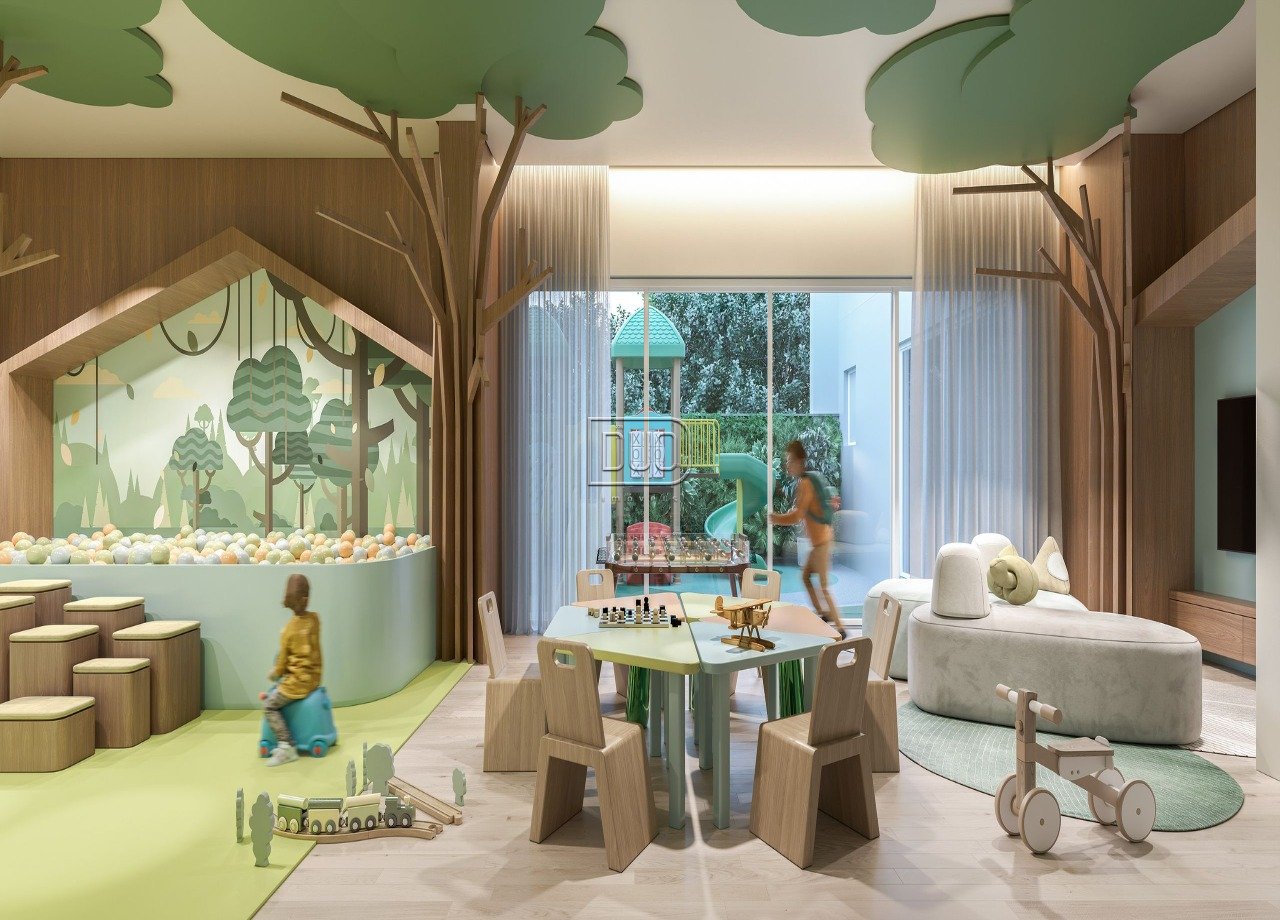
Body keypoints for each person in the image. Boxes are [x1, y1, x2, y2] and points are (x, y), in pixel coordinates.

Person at [768, 440, 844, 637]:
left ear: (800, 462)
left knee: (824, 586)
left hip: (822, 543)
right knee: (806, 577)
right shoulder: (806, 480)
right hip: (819, 542)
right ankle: (824, 615)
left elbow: (797, 516)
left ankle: (840, 628)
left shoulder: (806, 483)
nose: (787, 465)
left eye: (789, 461)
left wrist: (776, 518)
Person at [263, 573, 323, 766]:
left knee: (269, 705)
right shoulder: (315, 620)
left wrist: (274, 673)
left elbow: (281, 664)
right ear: (307, 597)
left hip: (297, 684)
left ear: (288, 600)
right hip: (314, 677)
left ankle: (286, 745)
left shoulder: (288, 630)